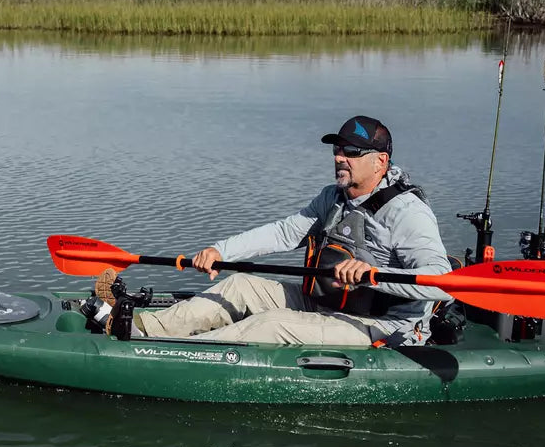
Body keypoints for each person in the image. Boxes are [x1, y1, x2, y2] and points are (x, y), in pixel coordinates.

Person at [94, 115, 454, 346]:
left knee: (270, 324)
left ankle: (169, 355)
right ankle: (140, 326)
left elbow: (441, 281)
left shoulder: (407, 212)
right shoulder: (334, 197)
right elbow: (283, 233)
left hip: (384, 325)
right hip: (325, 302)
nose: (339, 157)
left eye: (351, 151)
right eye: (337, 149)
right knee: (240, 284)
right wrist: (221, 251)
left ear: (380, 161)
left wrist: (373, 276)